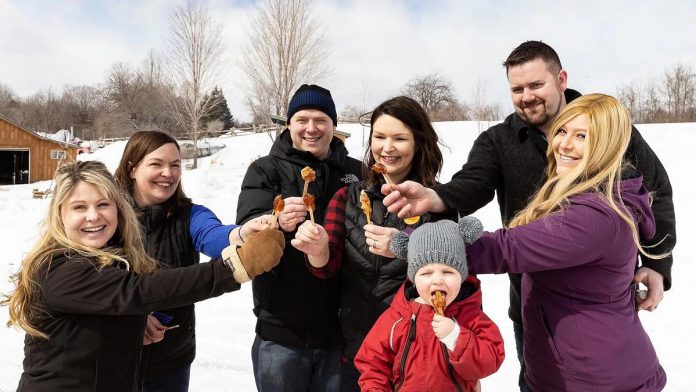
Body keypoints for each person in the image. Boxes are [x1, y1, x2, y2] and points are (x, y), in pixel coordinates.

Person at [382, 41, 676, 391]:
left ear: (561, 79)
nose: (526, 96)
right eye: (516, 89)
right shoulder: (499, 140)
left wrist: (658, 263)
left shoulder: (607, 128)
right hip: (531, 298)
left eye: (536, 85)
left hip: (588, 319)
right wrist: (436, 196)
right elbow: (473, 183)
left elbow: (654, 191)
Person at [1, 160, 285, 392]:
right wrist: (233, 266)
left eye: (103, 204)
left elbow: (113, 302)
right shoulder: (61, 267)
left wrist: (135, 321)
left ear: (117, 208)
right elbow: (138, 290)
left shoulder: (110, 257)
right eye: (79, 207)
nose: (93, 216)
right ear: (59, 214)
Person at [462, 93, 666, 390]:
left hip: (596, 380)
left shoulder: (596, 216)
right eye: (562, 131)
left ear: (606, 145)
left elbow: (504, 249)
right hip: (573, 370)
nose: (564, 144)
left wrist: (418, 244)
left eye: (582, 136)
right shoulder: (581, 193)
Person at [292, 96, 454, 391]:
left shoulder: (437, 201)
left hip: (419, 357)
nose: (387, 148)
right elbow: (327, 269)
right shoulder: (348, 197)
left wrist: (407, 245)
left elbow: (452, 276)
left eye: (399, 138)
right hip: (360, 353)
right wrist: (318, 251)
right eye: (379, 137)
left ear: (419, 143)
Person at [113, 130, 271, 392]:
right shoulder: (108, 219)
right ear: (132, 169)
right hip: (114, 357)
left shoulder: (191, 215)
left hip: (171, 361)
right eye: (157, 164)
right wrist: (134, 319)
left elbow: (212, 235)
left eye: (175, 165)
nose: (169, 173)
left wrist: (240, 233)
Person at [236, 84, 364, 391]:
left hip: (341, 334)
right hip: (282, 332)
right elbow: (245, 231)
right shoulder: (265, 170)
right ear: (289, 124)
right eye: (302, 119)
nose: (311, 128)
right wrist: (274, 221)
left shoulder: (356, 172)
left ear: (333, 126)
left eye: (320, 119)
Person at [354, 217, 505, 391]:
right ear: (414, 279)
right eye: (426, 273)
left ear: (461, 276)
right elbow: (372, 364)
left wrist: (456, 338)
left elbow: (491, 358)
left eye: (448, 271)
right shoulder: (397, 317)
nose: (437, 281)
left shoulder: (470, 317)